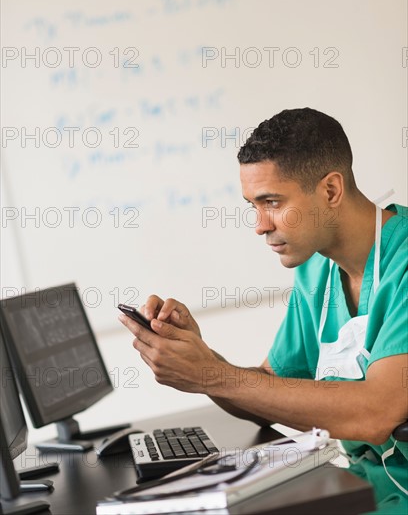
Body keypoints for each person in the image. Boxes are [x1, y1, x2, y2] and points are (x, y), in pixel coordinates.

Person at [118, 108, 407, 514]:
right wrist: (198, 356)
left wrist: (208, 374)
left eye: (272, 202)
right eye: (253, 205)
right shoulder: (316, 270)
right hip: (366, 487)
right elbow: (270, 387)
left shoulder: (404, 262)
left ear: (330, 191)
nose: (259, 225)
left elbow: (378, 412)